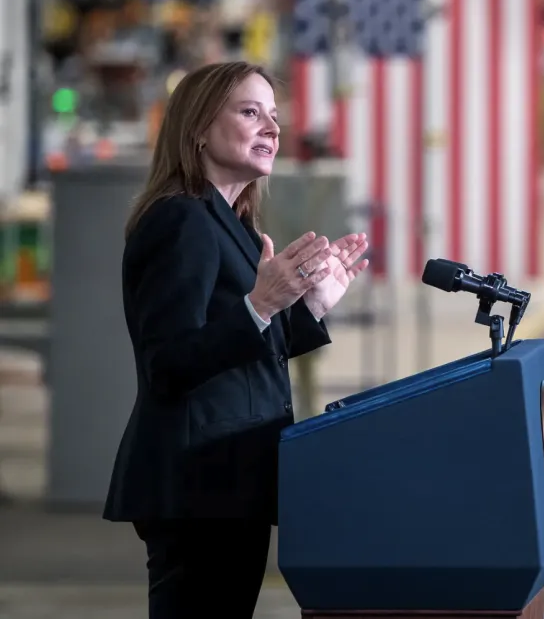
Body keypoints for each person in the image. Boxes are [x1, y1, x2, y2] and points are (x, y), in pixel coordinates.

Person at [102, 61, 369, 619]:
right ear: (199, 127)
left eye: (274, 115)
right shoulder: (181, 221)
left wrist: (310, 305)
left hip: (230, 483)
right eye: (250, 112)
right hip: (197, 486)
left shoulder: (232, 224)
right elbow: (167, 363)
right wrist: (262, 303)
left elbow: (244, 352)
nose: (272, 128)